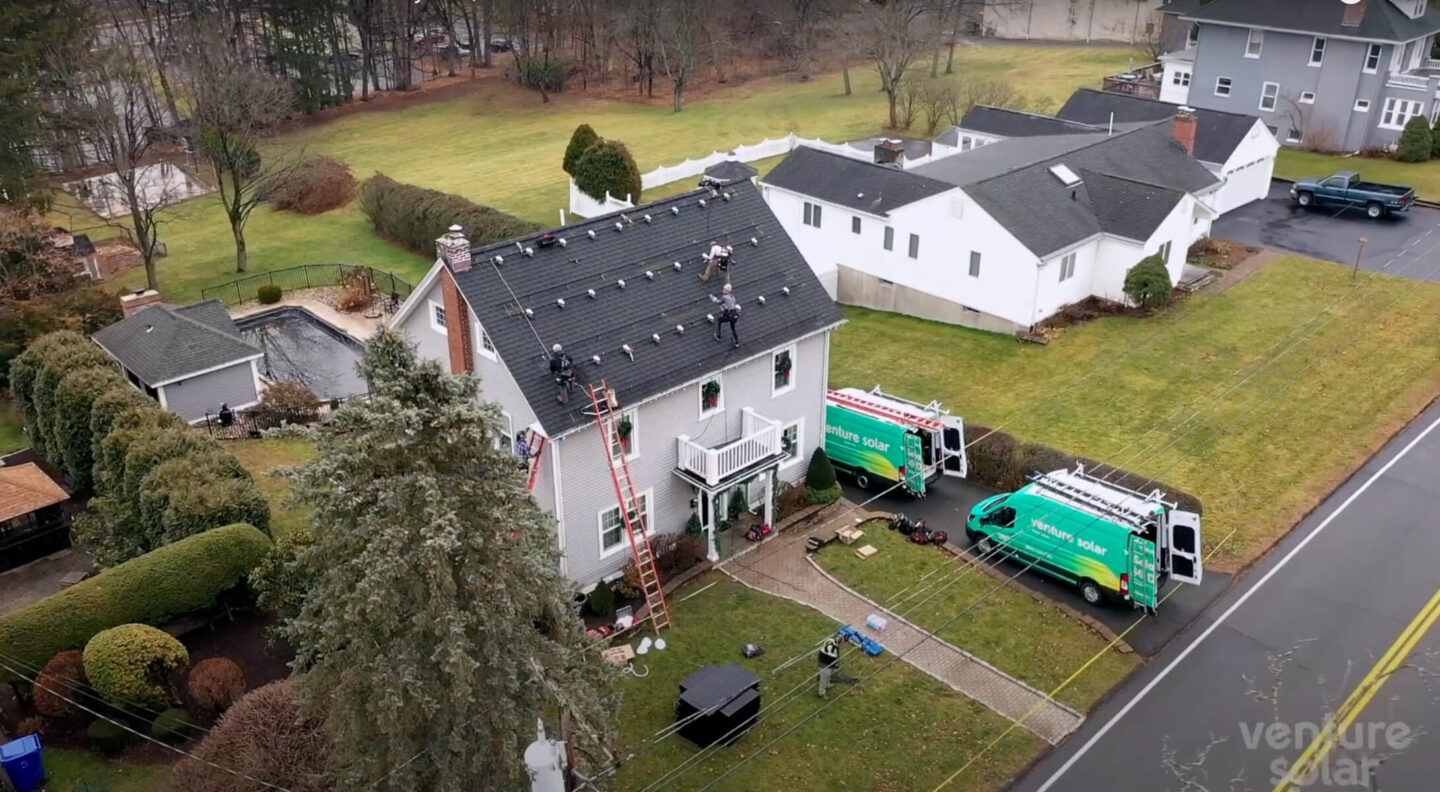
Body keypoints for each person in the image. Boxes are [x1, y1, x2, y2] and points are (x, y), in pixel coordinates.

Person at [714, 283, 741, 348]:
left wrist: (714, 299)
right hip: (735, 315)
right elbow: (730, 305)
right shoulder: (732, 297)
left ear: (728, 291)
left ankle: (718, 335)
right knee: (733, 327)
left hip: (730, 315)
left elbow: (718, 302)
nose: (723, 290)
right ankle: (736, 342)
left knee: (719, 320)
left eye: (724, 289)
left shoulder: (724, 297)